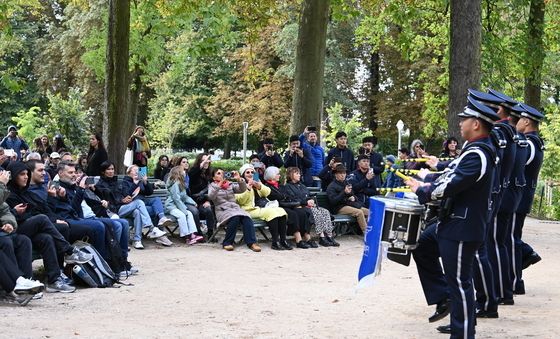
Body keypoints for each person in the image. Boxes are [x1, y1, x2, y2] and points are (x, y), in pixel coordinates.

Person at [407, 96, 498, 337]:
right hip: (454, 223)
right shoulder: (473, 150)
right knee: (423, 246)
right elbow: (449, 173)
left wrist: (422, 190)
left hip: (462, 226)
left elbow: (450, 185)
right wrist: (425, 180)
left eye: (464, 119)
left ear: (476, 124)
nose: (460, 124)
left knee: (460, 283)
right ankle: (444, 299)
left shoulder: (478, 153)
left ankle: (464, 333)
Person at [6, 161, 93, 292]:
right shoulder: (8, 194)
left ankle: (54, 279)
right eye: (21, 174)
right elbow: (11, 216)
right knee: (42, 219)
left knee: (47, 237)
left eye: (26, 174)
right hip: (15, 229)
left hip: (32, 228)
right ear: (12, 176)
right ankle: (69, 251)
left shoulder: (25, 192)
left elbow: (43, 210)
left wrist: (52, 198)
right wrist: (16, 213)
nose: (25, 177)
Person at [511, 103, 545, 295]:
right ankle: (526, 256)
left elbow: (517, 166)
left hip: (519, 197)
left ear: (526, 121)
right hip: (523, 197)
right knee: (512, 237)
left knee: (512, 238)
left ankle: (516, 280)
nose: (517, 124)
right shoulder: (535, 141)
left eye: (520, 120)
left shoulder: (529, 143)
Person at [236, 164, 289, 251]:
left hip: (259, 208)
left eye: (252, 172)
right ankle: (275, 242)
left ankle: (283, 240)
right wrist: (248, 189)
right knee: (272, 213)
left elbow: (268, 192)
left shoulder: (257, 181)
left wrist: (259, 186)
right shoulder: (240, 184)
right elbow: (241, 201)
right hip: (248, 210)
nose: (250, 174)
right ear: (243, 175)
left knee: (281, 211)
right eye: (247, 172)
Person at [207, 168, 261, 252]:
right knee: (234, 218)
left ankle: (252, 243)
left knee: (246, 217)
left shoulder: (230, 184)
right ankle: (227, 242)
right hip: (222, 210)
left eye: (223, 173)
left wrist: (239, 179)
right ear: (214, 178)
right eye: (218, 173)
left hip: (235, 209)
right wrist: (219, 184)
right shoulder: (212, 186)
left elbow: (242, 190)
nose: (221, 175)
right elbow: (211, 196)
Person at [283, 167, 338, 247]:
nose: (299, 175)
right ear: (290, 175)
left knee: (325, 211)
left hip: (308, 206)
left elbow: (308, 195)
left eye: (299, 173)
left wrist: (312, 200)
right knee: (317, 213)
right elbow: (293, 199)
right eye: (297, 173)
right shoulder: (288, 186)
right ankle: (322, 237)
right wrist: (306, 202)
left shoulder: (302, 185)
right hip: (300, 207)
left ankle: (329, 236)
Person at [262, 166, 309, 250]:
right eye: (277, 174)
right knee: (292, 214)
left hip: (284, 205)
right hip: (276, 207)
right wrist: (287, 199)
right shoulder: (267, 186)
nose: (279, 176)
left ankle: (296, 238)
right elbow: (277, 197)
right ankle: (297, 240)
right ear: (272, 175)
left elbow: (285, 197)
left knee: (300, 212)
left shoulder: (279, 186)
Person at [165, 166, 204, 245]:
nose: (185, 172)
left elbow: (185, 197)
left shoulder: (181, 184)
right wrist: (184, 210)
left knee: (189, 214)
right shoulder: (175, 184)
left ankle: (193, 234)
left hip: (178, 206)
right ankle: (186, 236)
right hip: (171, 206)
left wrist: (193, 203)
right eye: (183, 171)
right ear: (179, 173)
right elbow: (176, 199)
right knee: (182, 215)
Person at [326, 164, 369, 233]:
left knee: (369, 212)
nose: (343, 175)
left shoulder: (346, 183)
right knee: (359, 212)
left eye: (344, 173)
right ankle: (367, 234)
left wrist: (353, 198)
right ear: (335, 174)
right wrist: (344, 192)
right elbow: (333, 202)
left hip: (350, 205)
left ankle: (370, 231)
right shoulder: (331, 186)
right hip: (338, 208)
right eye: (340, 173)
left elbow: (353, 194)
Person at [189, 153, 217, 239]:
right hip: (192, 201)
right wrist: (203, 162)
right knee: (195, 212)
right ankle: (198, 233)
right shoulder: (193, 173)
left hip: (204, 201)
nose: (206, 162)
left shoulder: (210, 175)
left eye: (207, 161)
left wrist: (209, 201)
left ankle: (210, 233)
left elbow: (213, 191)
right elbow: (192, 173)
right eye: (203, 160)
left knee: (208, 210)